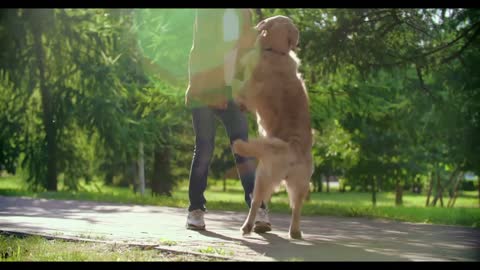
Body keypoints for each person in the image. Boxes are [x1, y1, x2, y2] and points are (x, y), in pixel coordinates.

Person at [185, 8, 270, 232]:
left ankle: (257, 209)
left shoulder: (244, 12)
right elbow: (210, 47)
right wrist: (248, 37)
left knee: (243, 147)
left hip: (232, 90)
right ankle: (195, 210)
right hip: (205, 88)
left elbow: (245, 55)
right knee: (204, 147)